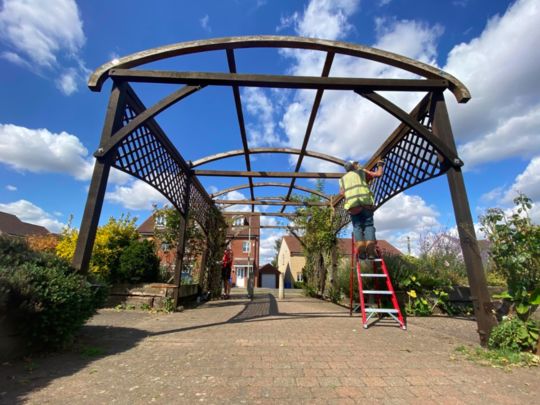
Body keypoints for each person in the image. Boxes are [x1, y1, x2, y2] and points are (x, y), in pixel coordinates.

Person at [339, 159, 384, 260]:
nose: (358, 165)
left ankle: (362, 253)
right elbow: (378, 174)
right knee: (368, 226)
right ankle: (371, 252)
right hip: (365, 204)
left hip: (353, 206)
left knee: (357, 228)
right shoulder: (361, 172)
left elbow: (342, 193)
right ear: (354, 166)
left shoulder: (342, 179)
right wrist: (380, 165)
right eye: (356, 164)